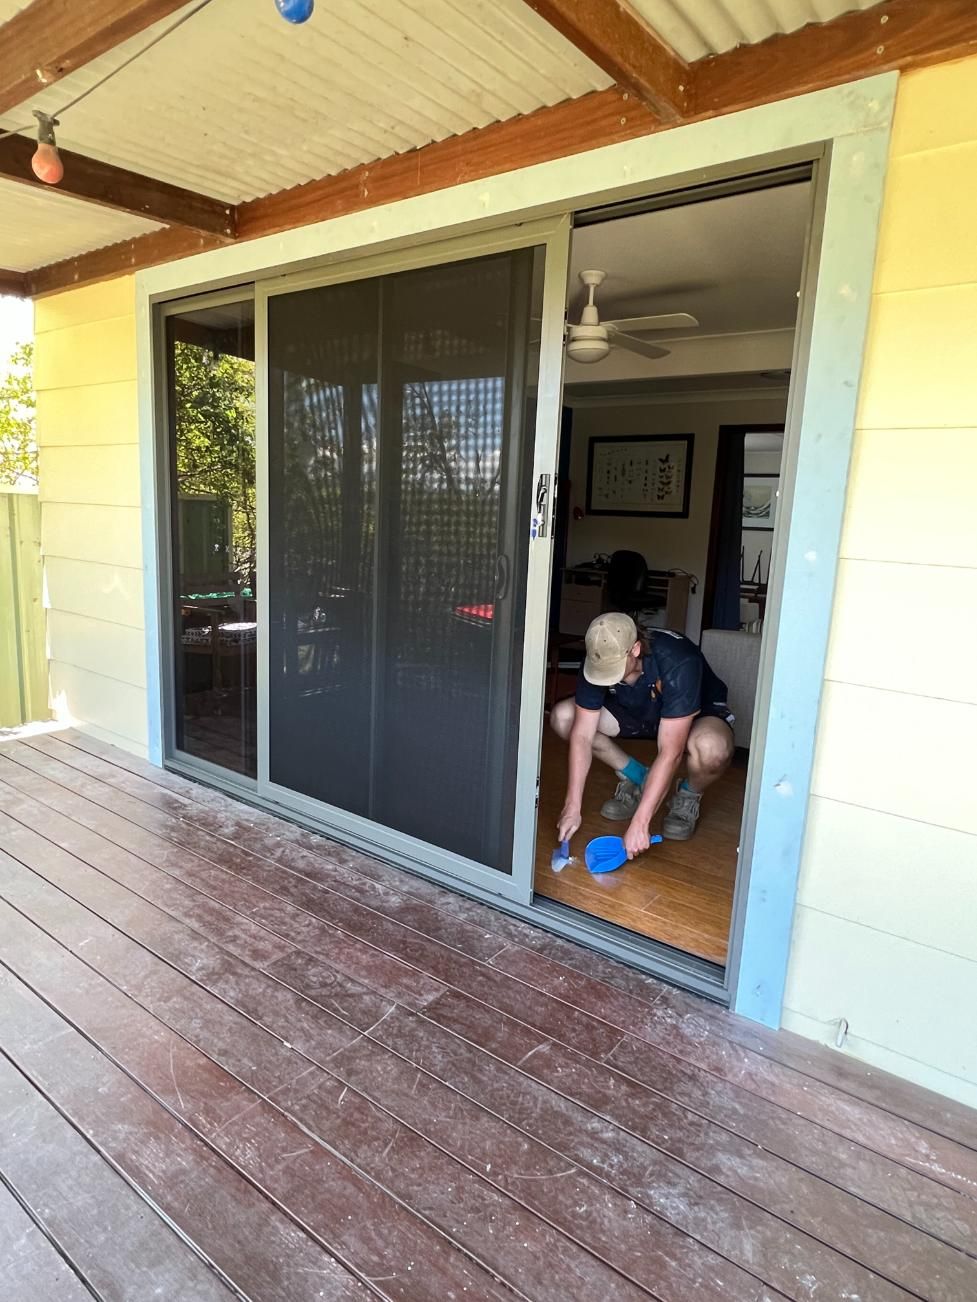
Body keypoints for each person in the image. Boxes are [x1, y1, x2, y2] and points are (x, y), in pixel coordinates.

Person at [552, 612, 734, 859]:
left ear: (635, 649)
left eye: (611, 669)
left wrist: (640, 823)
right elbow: (582, 735)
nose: (603, 676)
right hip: (636, 709)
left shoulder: (678, 660)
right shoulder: (598, 654)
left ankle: (688, 795)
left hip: (692, 717)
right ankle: (638, 776)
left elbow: (670, 753)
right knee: (564, 718)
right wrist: (572, 805)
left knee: (713, 749)